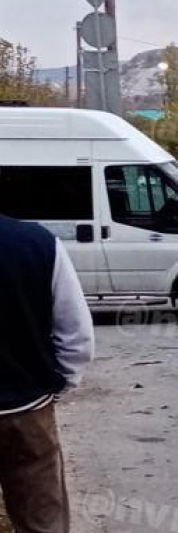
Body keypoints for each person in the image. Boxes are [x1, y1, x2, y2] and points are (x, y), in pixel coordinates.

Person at [0, 214, 95, 533]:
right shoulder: (38, 243)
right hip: (27, 413)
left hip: (28, 403)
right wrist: (56, 386)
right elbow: (77, 335)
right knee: (44, 523)